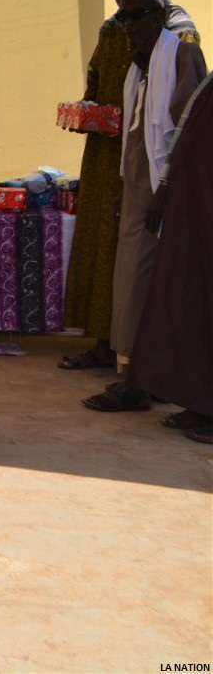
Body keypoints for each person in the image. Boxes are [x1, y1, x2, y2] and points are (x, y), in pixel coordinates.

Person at [60, 0, 200, 372]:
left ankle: (145, 364)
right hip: (114, 161)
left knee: (147, 265)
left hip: (162, 170)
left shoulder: (178, 39)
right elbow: (99, 82)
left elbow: (187, 114)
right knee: (114, 257)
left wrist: (169, 180)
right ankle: (112, 346)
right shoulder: (117, 32)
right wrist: (89, 113)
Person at [82, 0, 206, 413]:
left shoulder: (182, 54)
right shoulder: (138, 67)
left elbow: (191, 132)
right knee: (129, 282)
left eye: (137, 16)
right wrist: (123, 188)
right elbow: (134, 139)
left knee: (156, 284)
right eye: (123, 18)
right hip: (137, 188)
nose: (128, 26)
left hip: (166, 191)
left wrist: (166, 189)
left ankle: (145, 384)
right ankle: (134, 377)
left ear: (159, 16)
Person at [128, 72, 213, 441]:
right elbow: (184, 135)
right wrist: (166, 185)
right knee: (190, 302)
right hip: (195, 208)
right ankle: (199, 402)